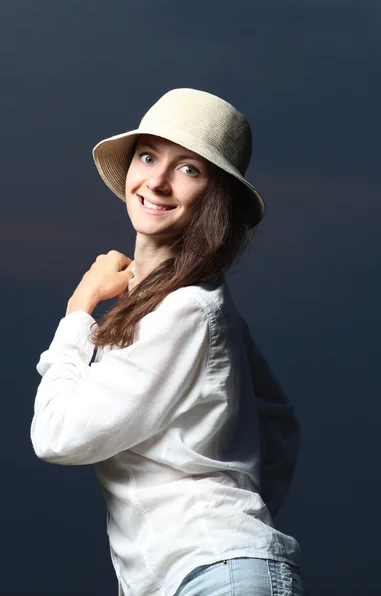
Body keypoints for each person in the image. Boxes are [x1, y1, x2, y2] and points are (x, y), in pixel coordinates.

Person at [30, 88, 304, 596]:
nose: (156, 181)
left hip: (215, 574)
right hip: (206, 574)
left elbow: (57, 436)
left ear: (215, 195)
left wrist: (78, 310)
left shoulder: (187, 310)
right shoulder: (195, 308)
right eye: (149, 156)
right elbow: (279, 424)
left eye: (189, 169)